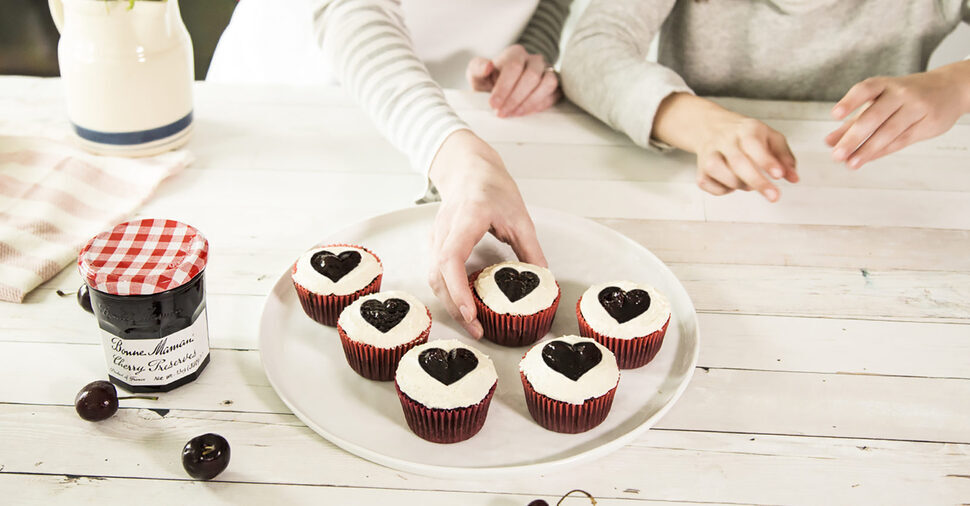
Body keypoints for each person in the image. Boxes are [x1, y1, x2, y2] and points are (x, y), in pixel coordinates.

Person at [208, 0, 572, 338]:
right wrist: (457, 156)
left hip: (462, 118)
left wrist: (523, 57)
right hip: (301, 112)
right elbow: (349, 9)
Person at [559, 0, 970, 202]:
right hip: (691, 189)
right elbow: (591, 50)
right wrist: (702, 125)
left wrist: (956, 83)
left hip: (881, 194)